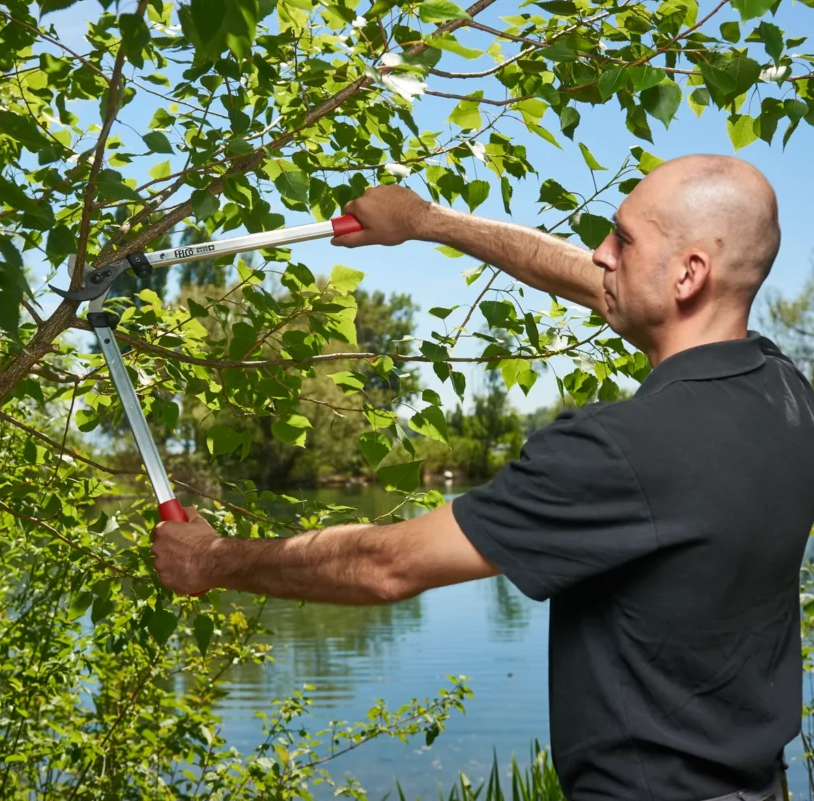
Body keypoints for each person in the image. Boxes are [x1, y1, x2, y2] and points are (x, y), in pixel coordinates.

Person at [151, 153, 814, 801]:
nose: (601, 253)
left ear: (690, 273)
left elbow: (389, 565)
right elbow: (596, 282)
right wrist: (427, 220)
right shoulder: (785, 394)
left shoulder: (620, 449)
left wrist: (214, 560)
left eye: (623, 238)